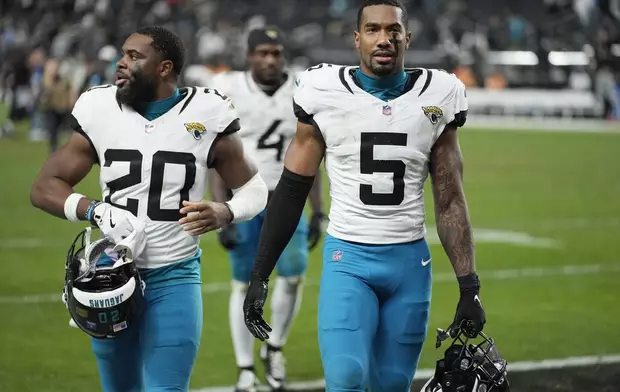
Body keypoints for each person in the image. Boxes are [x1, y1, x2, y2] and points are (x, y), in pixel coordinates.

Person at [242, 1, 487, 391]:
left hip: (409, 264)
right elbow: (291, 189)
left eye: (393, 30)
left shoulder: (439, 94)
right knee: (346, 378)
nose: (384, 38)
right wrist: (260, 273)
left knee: (392, 384)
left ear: (407, 37)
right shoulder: (323, 91)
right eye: (373, 29)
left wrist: (469, 287)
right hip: (348, 262)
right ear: (357, 39)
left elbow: (450, 199)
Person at [30, 26, 268, 392]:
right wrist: (94, 210)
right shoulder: (99, 108)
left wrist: (226, 212)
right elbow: (44, 187)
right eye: (123, 54)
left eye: (134, 56)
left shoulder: (206, 112)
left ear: (164, 67)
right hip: (110, 277)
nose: (121, 63)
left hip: (175, 276)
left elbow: (254, 188)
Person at [209, 26, 325, 392]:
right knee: (242, 284)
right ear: (249, 56)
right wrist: (222, 207)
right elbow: (217, 153)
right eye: (263, 52)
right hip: (244, 197)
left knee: (292, 277)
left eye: (276, 52)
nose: (270, 59)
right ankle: (245, 368)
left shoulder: (302, 89)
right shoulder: (229, 88)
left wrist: (318, 211)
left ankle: (274, 349)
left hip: (286, 197)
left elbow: (312, 152)